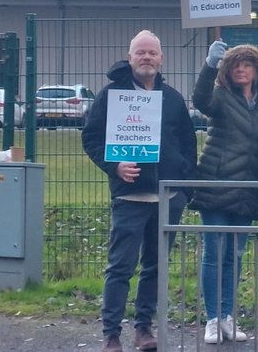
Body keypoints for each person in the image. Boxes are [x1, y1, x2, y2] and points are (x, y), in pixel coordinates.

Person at [81, 30, 197, 352]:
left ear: (161, 59)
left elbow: (188, 142)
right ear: (130, 57)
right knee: (120, 267)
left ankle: (143, 328)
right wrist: (113, 166)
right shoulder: (111, 95)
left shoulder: (172, 98)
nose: (147, 57)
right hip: (129, 197)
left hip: (168, 198)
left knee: (155, 268)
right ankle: (111, 334)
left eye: (152, 53)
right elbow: (90, 137)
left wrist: (185, 188)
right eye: (141, 52)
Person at [189, 41, 258, 344]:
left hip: (249, 189)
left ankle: (227, 315)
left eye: (247, 64)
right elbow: (200, 100)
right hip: (216, 184)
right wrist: (208, 65)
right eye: (235, 64)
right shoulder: (221, 97)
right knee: (214, 252)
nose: (241, 69)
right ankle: (212, 319)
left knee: (235, 256)